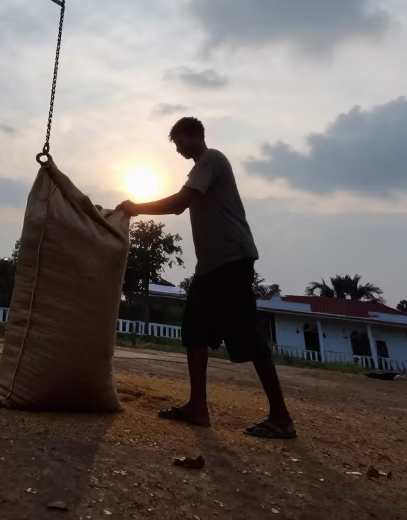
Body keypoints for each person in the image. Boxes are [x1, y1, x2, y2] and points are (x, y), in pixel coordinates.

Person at [115, 116, 296, 439]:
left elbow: (179, 204)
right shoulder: (201, 167)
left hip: (232, 261)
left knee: (249, 337)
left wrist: (136, 207)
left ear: (193, 136)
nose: (177, 148)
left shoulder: (212, 159)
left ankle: (281, 417)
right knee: (195, 331)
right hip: (209, 268)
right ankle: (198, 408)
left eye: (178, 141)